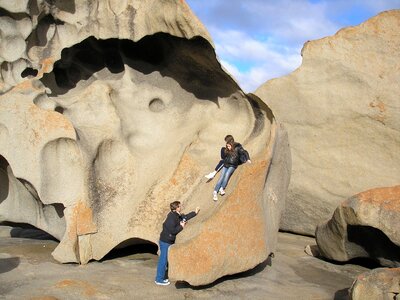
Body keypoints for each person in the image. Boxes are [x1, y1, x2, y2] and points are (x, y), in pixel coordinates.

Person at [155, 201, 200, 286]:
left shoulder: (177, 214)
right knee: (163, 260)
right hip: (165, 241)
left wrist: (195, 212)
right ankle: (159, 279)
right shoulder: (171, 217)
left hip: (169, 241)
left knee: (165, 260)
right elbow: (173, 231)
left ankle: (162, 277)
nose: (181, 207)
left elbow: (185, 217)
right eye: (179, 206)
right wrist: (181, 226)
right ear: (176, 208)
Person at [212, 136, 251, 201]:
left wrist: (248, 159)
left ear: (231, 143)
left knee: (227, 174)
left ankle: (222, 188)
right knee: (221, 177)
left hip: (233, 165)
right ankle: (215, 191)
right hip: (226, 164)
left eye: (229, 146)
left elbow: (244, 152)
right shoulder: (227, 148)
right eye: (227, 146)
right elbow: (223, 157)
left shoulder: (238, 147)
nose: (228, 147)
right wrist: (224, 151)